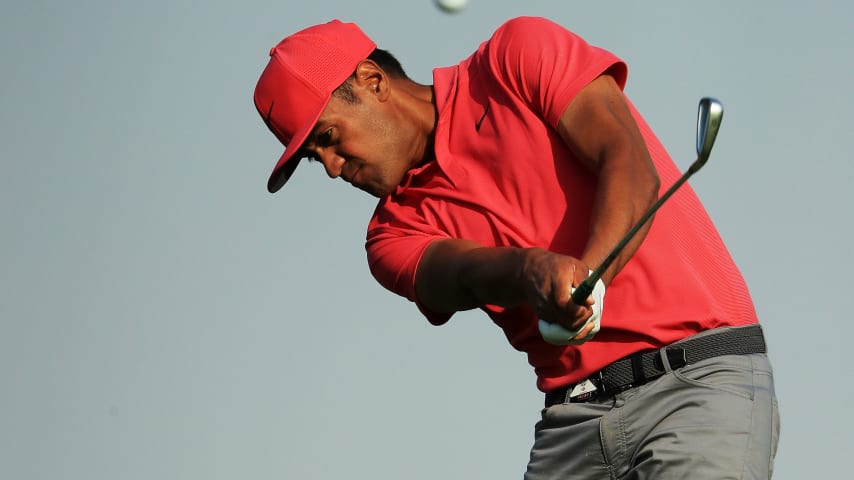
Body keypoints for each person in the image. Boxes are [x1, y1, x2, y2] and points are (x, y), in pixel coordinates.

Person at [253, 17, 779, 479]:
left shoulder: (515, 57)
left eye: (326, 138)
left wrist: (589, 276)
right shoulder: (389, 235)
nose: (330, 167)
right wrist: (533, 269)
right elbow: (464, 275)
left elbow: (626, 161)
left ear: (371, 81)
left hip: (696, 384)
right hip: (572, 427)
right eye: (312, 158)